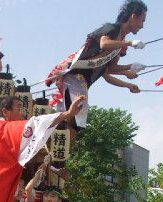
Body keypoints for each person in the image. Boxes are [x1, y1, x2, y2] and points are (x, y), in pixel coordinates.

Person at [49, 0, 148, 128]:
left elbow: (108, 70)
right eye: (142, 20)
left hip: (83, 81)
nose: (142, 25)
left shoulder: (120, 46)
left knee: (73, 120)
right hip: (74, 75)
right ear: (134, 17)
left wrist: (129, 68)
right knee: (74, 118)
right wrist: (129, 43)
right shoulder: (111, 29)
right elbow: (104, 44)